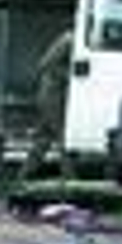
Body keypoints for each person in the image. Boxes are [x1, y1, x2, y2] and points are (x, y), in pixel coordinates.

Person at [22, 27, 74, 181]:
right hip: (52, 94)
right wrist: (69, 76)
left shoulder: (68, 39)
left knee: (44, 138)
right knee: (62, 135)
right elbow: (45, 64)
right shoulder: (68, 40)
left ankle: (25, 174)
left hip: (50, 94)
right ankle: (69, 176)